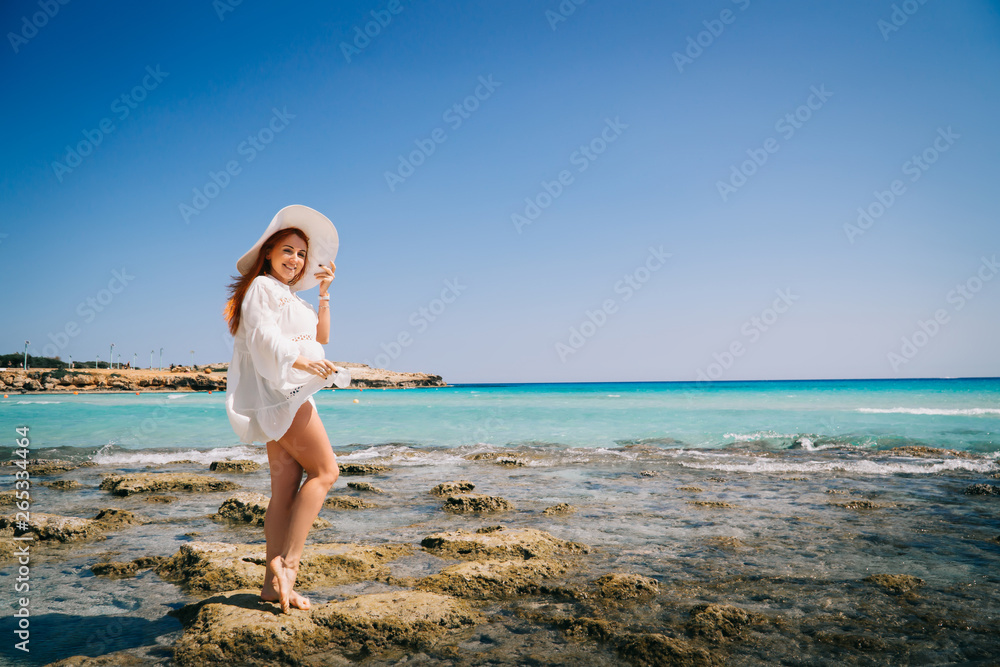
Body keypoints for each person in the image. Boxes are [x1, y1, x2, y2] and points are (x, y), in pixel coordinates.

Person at [223, 204, 342, 613]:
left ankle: (272, 588)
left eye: (302, 254)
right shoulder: (261, 288)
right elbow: (261, 337)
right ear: (270, 252)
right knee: (327, 472)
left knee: (283, 492)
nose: (296, 260)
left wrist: (324, 293)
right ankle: (288, 566)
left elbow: (319, 336)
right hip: (284, 395)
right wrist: (299, 362)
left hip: (282, 395)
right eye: (288, 251)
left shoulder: (287, 296)